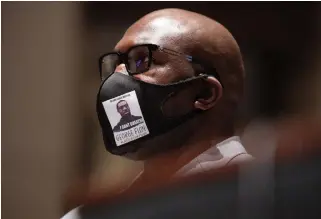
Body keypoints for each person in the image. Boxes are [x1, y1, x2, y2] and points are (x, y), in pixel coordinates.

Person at [62, 8, 253, 219]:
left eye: (142, 60)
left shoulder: (264, 200)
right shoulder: (94, 214)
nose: (116, 78)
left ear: (205, 93)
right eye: (116, 64)